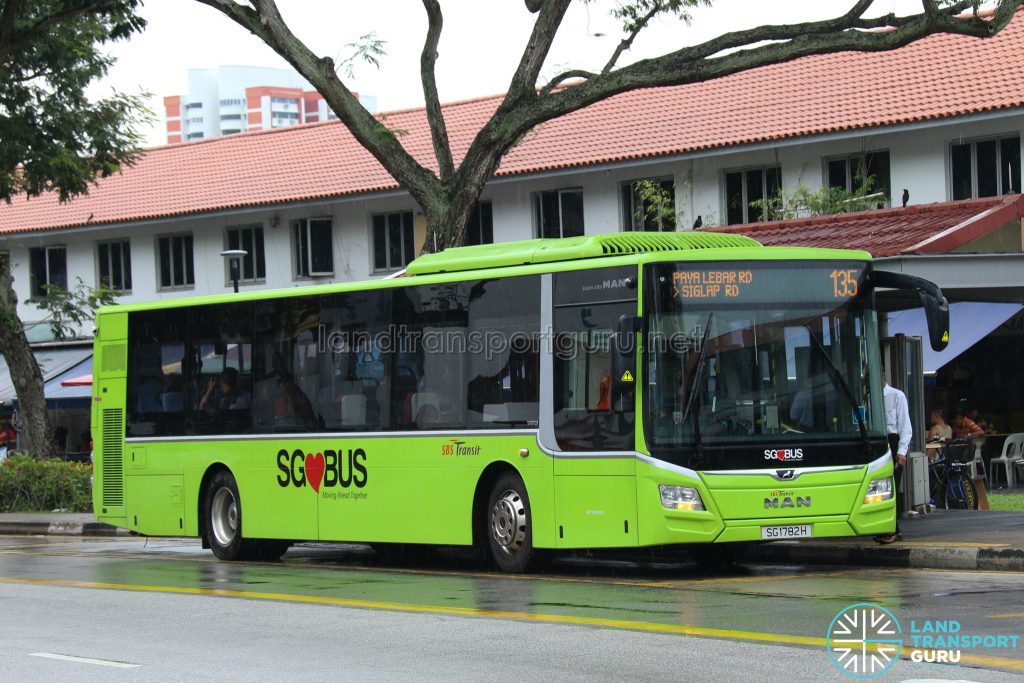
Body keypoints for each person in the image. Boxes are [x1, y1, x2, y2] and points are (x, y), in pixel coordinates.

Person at [877, 370, 911, 545]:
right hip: (879, 442)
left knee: (892, 488)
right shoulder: (870, 398)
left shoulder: (896, 396)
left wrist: (901, 452)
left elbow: (906, 426)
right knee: (880, 489)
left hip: (894, 442)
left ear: (884, 375)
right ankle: (884, 527)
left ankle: (894, 529)